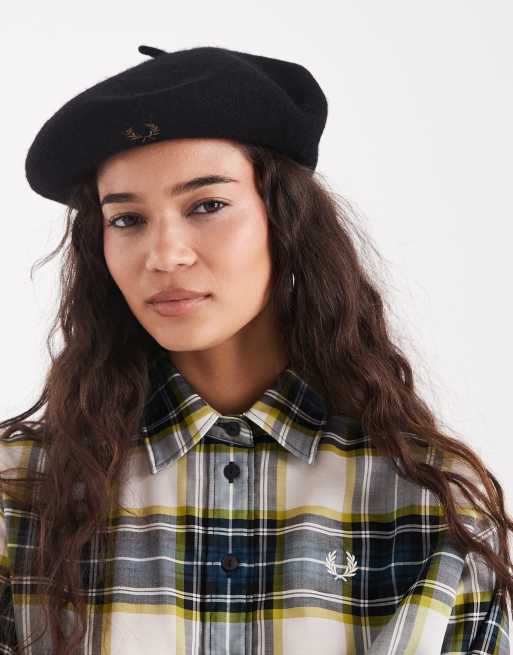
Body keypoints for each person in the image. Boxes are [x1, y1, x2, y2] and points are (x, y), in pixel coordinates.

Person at [0, 43, 511, 655]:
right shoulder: (20, 494)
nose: (165, 255)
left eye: (207, 206)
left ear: (285, 220)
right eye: (127, 219)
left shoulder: (429, 501)